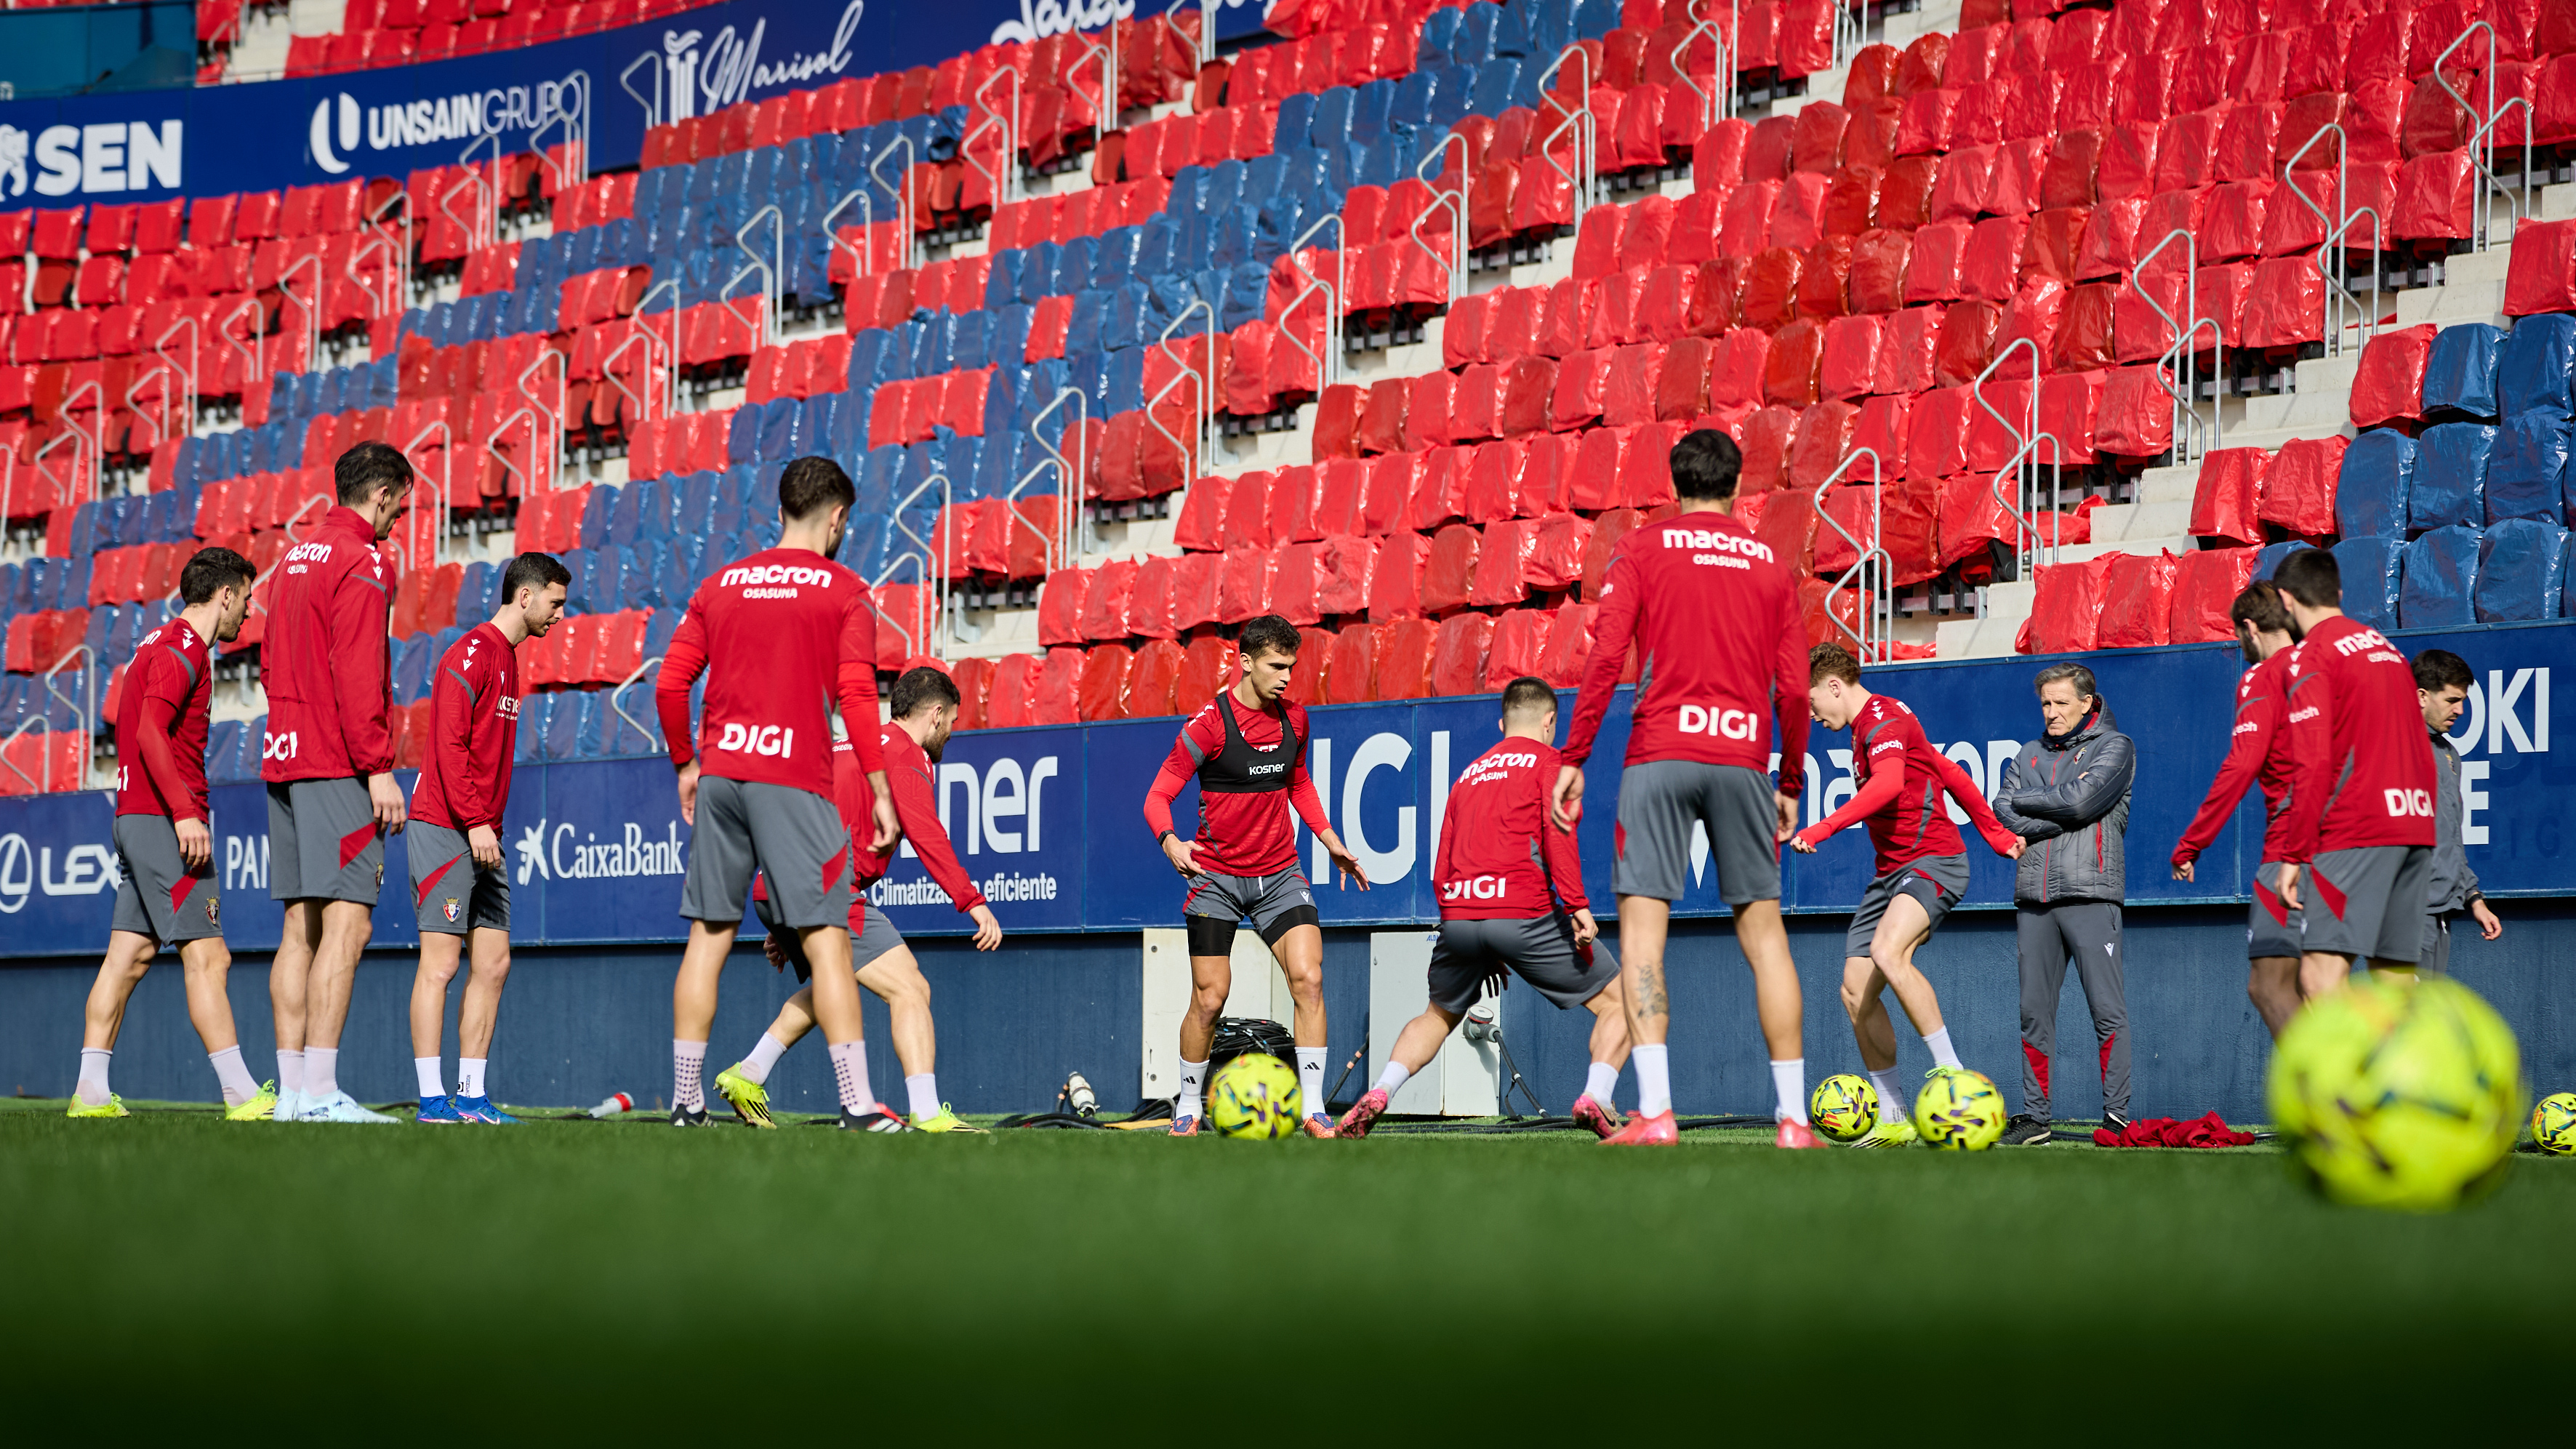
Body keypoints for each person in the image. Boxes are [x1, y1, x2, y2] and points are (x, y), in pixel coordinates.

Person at [1553, 430, 1818, 1148]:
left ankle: (1658, 1112)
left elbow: (1607, 654)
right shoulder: (1769, 562)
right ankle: (1794, 1120)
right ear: (1738, 486)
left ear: (1676, 484)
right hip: (1741, 755)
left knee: (1643, 940)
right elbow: (1794, 688)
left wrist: (1574, 754)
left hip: (1660, 752)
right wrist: (1788, 776)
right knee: (1765, 938)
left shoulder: (1642, 549)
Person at [654, 456, 900, 1130]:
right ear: (837, 516)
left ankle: (684, 1100)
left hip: (724, 777)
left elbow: (670, 685)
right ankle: (856, 1104)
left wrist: (686, 764)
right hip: (793, 781)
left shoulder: (721, 584)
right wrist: (879, 788)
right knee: (827, 941)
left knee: (708, 937)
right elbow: (855, 694)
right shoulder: (844, 589)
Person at [1336, 678, 1632, 1140]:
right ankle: (1598, 1096)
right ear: (1550, 721)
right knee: (1625, 1003)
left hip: (1459, 915)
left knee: (1436, 1015)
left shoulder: (1468, 775)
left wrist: (1468, 925)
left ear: (1502, 723)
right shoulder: (1551, 763)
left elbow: (1441, 864)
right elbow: (1558, 837)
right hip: (1522, 910)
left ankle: (1380, 1092)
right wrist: (1577, 906)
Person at [714, 665, 1004, 1133]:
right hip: (820, 886)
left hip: (778, 881)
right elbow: (927, 833)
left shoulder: (847, 743)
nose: (951, 731)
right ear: (934, 715)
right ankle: (928, 1112)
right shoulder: (905, 755)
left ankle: (747, 1075)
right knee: (911, 988)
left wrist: (779, 917)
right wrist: (971, 901)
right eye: (951, 721)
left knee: (834, 987)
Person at [1142, 614, 1370, 1138]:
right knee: (1210, 998)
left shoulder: (1296, 719)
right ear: (1245, 662)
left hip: (1280, 874)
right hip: (1215, 878)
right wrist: (1170, 841)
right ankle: (1189, 1103)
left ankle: (1313, 1107)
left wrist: (1329, 840)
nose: (1287, 676)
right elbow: (1157, 795)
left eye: (1291, 666)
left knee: (1309, 979)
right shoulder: (1209, 725)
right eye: (1276, 665)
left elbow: (1299, 782)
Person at [1792, 643, 2024, 1147]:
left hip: (1934, 861)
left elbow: (1890, 784)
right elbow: (1950, 773)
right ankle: (1894, 1115)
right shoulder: (1865, 730)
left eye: (1811, 703)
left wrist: (1826, 825)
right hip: (1891, 873)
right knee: (1854, 990)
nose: (1811, 715)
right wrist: (1997, 834)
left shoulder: (1883, 717)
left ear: (1834, 685)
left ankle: (1951, 1077)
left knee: (1885, 951)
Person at [67, 547, 268, 1120]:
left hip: (132, 816)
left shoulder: (152, 643)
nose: (249, 613)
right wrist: (184, 811)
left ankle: (90, 1092)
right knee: (211, 957)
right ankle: (241, 1093)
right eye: (247, 599)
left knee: (126, 958)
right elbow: (154, 732)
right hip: (163, 820)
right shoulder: (185, 649)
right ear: (224, 594)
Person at [263, 441, 414, 1124]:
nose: (399, 522)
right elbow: (359, 669)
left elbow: (269, 663)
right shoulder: (364, 558)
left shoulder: (292, 557)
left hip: (286, 753)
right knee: (348, 925)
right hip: (338, 760)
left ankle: (293, 1094)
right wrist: (378, 765)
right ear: (380, 494)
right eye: (400, 507)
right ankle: (321, 1093)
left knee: (300, 928)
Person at [404, 552, 567, 1125]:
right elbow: (446, 747)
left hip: (482, 833)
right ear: (525, 596)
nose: (558, 615)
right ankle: (432, 1100)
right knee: (441, 964)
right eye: (555, 602)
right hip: (446, 825)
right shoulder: (470, 654)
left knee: (493, 963)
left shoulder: (509, 660)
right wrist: (475, 821)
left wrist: (485, 827)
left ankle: (471, 1098)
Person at [2271, 549, 2438, 992]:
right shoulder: (2389, 649)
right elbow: (2423, 749)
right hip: (2415, 826)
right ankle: (2409, 1065)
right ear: (2337, 594)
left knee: (2319, 975)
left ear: (2286, 600)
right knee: (2394, 980)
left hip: (2356, 828)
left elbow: (2313, 763)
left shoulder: (2311, 656)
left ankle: (2344, 1067)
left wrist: (2294, 854)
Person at [1990, 663, 2135, 1147]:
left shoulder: (2115, 747)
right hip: (2034, 898)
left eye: (2059, 703)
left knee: (2106, 1011)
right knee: (2033, 1013)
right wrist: (2058, 810)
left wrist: (2038, 807)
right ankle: (2036, 1117)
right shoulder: (2028, 752)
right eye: (2044, 704)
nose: (2050, 712)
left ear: (2086, 703)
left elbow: (2079, 804)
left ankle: (2116, 1117)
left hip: (2091, 895)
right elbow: (2002, 807)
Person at [2171, 580, 2305, 1037]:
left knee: (2268, 986)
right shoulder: (2325, 668)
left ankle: (2331, 1102)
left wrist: (2192, 843)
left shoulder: (2261, 676)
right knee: (2319, 984)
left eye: (2238, 635)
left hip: (2291, 843)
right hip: (2354, 844)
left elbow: (2242, 763)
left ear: (2249, 627)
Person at [2413, 649, 2501, 975]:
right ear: (2422, 696)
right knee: (2406, 1018)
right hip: (2405, 911)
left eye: (2463, 700)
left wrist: (2474, 898)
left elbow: (2450, 837)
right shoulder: (2393, 747)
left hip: (2441, 910)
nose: (2461, 710)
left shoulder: (2448, 753)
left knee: (2425, 1018)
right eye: (2452, 700)